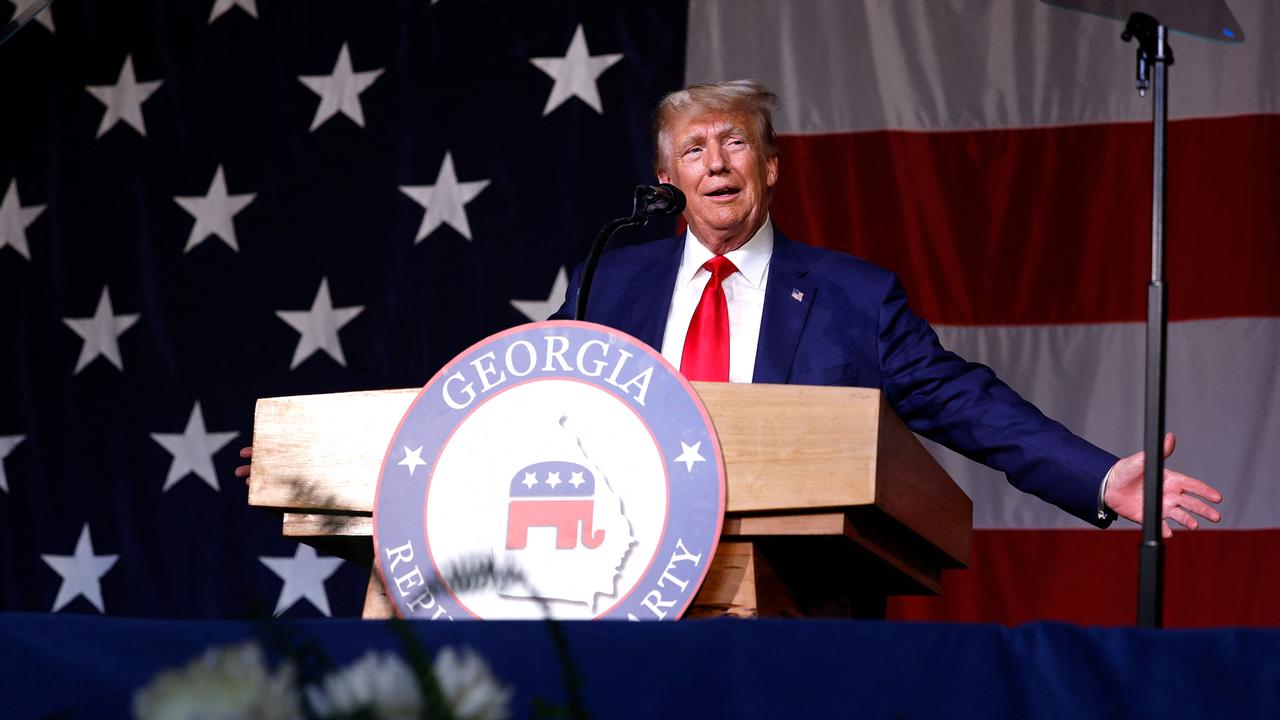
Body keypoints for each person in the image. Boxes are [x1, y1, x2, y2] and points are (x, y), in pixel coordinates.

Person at [545, 79, 1221, 534]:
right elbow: (535, 400)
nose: (716, 165)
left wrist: (1097, 477)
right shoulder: (609, 281)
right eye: (695, 150)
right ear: (668, 181)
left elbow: (962, 400)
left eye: (736, 143)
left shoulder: (854, 296)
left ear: (771, 166)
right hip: (629, 565)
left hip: (801, 590)